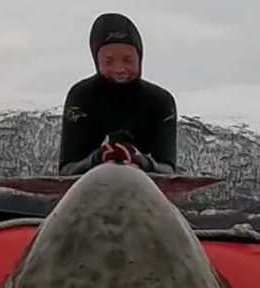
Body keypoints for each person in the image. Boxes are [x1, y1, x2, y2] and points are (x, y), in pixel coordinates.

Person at [58, 13, 176, 176]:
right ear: (96, 61)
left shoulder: (160, 101)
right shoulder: (81, 97)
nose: (119, 68)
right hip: (90, 185)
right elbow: (66, 170)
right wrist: (99, 158)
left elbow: (168, 169)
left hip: (145, 185)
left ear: (139, 58)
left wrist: (139, 160)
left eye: (127, 60)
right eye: (108, 61)